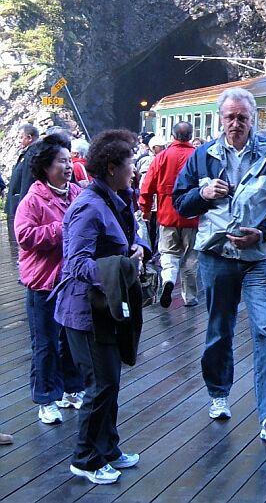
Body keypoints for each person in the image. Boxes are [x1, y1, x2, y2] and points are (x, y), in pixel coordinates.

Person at [173, 87, 266, 445]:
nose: (236, 124)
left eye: (242, 117)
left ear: (254, 118)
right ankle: (218, 392)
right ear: (220, 119)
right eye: (230, 117)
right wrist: (203, 194)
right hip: (217, 256)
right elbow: (180, 202)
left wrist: (263, 233)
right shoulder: (202, 157)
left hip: (260, 257)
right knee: (219, 328)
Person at [55, 129, 147, 485]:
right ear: (111, 167)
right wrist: (123, 266)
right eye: (129, 164)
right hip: (84, 313)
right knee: (101, 384)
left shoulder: (114, 198)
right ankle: (86, 458)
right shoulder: (88, 207)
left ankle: (107, 448)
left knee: (110, 381)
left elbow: (130, 236)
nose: (134, 170)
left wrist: (139, 249)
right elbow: (76, 263)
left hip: (104, 308)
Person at [14, 133, 84, 425]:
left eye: (69, 160)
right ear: (45, 166)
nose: (68, 166)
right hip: (42, 282)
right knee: (45, 343)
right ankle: (46, 399)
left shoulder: (77, 192)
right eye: (61, 161)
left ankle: (72, 389)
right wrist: (62, 228)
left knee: (71, 339)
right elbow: (25, 236)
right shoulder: (33, 199)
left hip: (72, 281)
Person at [138, 121, 200, 308]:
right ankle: (190, 297)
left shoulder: (162, 157)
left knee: (168, 253)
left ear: (173, 136)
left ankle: (168, 279)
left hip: (167, 214)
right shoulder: (198, 156)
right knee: (190, 257)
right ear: (191, 136)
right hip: (192, 216)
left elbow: (147, 187)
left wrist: (146, 210)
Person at [5, 123, 40, 229]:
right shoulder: (27, 153)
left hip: (21, 207)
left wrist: (23, 207)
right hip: (16, 204)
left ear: (29, 138)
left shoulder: (33, 154)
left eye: (21, 137)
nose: (19, 140)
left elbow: (27, 182)